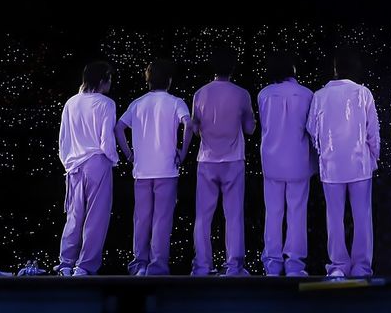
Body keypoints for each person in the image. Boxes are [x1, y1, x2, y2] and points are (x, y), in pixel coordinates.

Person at [307, 47, 380, 278]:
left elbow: (312, 129)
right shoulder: (363, 93)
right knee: (362, 216)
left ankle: (338, 265)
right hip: (360, 164)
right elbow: (373, 132)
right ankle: (361, 266)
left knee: (334, 217)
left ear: (336, 68)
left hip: (331, 165)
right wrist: (374, 157)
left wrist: (322, 151)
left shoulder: (319, 95)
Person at [115, 59, 190, 275]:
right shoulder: (176, 101)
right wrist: (183, 152)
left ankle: (139, 264)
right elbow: (188, 123)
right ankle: (157, 265)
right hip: (166, 170)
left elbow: (119, 128)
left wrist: (129, 153)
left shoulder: (137, 103)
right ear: (169, 80)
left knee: (141, 219)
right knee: (162, 220)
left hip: (142, 171)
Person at [187, 46, 256, 276]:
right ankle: (234, 266)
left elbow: (195, 129)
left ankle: (202, 266)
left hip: (206, 160)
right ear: (233, 67)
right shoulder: (242, 94)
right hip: (233, 161)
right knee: (233, 216)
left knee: (203, 217)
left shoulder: (199, 93)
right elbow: (249, 129)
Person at [56, 61, 118, 276]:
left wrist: (68, 162)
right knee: (96, 217)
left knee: (74, 216)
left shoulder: (71, 102)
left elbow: (63, 139)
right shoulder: (106, 104)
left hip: (73, 165)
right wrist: (114, 159)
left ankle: (65, 263)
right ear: (102, 80)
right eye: (109, 78)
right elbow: (106, 140)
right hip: (97, 162)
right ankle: (84, 266)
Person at [257, 52, 315, 276]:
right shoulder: (307, 94)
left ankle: (272, 263)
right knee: (297, 213)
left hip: (271, 161)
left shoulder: (264, 94)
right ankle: (294, 264)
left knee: (273, 213)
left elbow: (264, 126)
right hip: (299, 161)